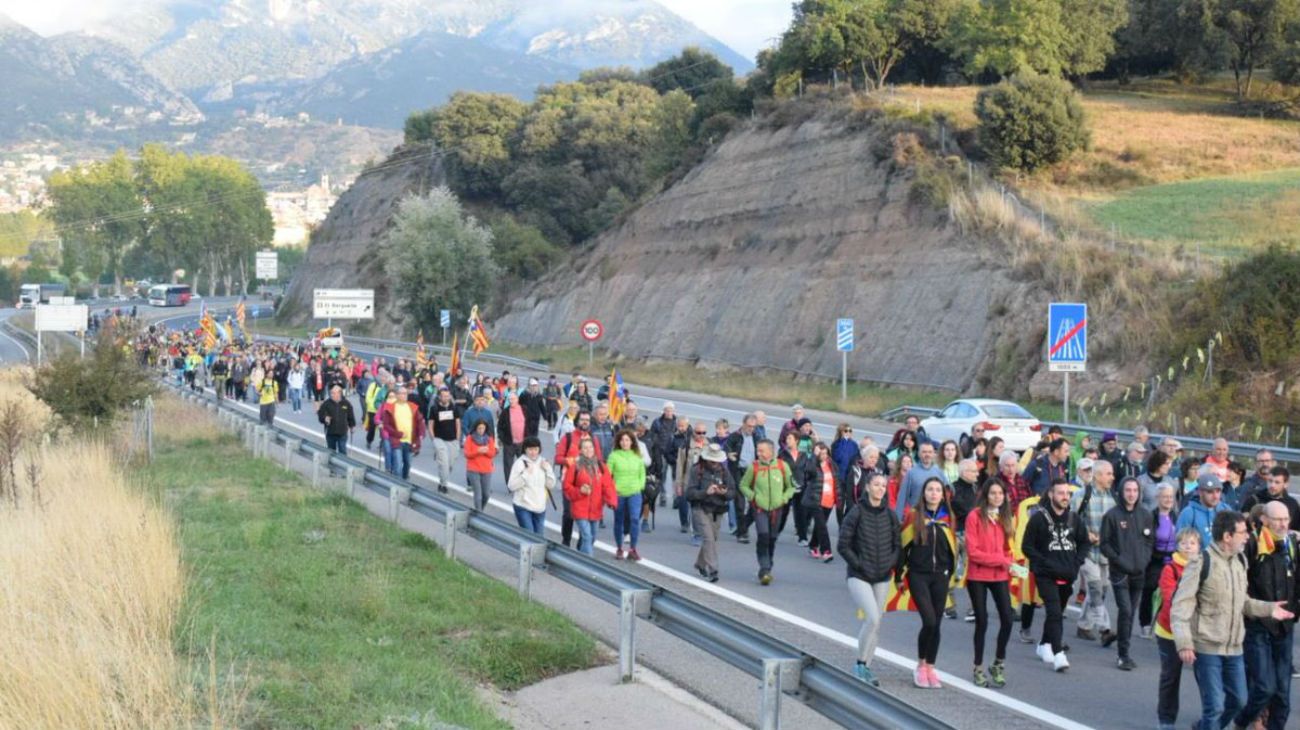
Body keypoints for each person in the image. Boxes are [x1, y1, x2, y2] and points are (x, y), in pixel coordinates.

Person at [1172, 511, 1295, 730]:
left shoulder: (1240, 560)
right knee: (1215, 707)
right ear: (1227, 536)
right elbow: (1180, 607)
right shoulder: (1201, 563)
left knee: (1238, 702)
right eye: (1242, 532)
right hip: (1207, 646)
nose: (1247, 536)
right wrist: (1184, 643)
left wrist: (1269, 609)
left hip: (1235, 648)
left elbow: (1243, 602)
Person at [1233, 500, 1299, 730]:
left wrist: (1294, 611)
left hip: (1284, 627)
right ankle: (1241, 721)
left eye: (1286, 519)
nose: (1283, 524)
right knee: (1263, 687)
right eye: (1278, 519)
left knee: (1282, 696)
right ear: (1264, 520)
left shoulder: (1292, 544)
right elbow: (1239, 583)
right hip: (1257, 626)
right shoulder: (1252, 545)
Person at [891, 478, 956, 689]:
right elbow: (902, 548)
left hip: (941, 575)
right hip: (918, 575)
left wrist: (951, 574)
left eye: (938, 490)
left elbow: (952, 549)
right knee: (928, 620)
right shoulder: (914, 516)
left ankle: (931, 667)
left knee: (937, 624)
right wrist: (899, 575)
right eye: (930, 489)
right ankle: (919, 666)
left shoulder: (948, 518)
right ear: (924, 493)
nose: (934, 493)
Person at [838, 473, 900, 688]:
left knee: (877, 623)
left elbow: (897, 545)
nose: (880, 488)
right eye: (876, 484)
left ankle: (866, 666)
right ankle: (859, 664)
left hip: (883, 575)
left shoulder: (891, 515)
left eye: (884, 485)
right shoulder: (856, 512)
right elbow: (843, 545)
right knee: (872, 618)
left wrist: (890, 564)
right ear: (867, 487)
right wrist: (859, 564)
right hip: (859, 575)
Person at [1023, 478, 1089, 673]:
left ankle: (1044, 644)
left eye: (1067, 494)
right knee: (1053, 611)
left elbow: (1084, 542)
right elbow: (1027, 546)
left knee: (1057, 612)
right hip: (1045, 574)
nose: (1065, 497)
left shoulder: (1074, 519)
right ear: (1051, 494)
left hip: (1068, 573)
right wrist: (1043, 562)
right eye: (1060, 493)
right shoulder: (1038, 518)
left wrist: (1077, 562)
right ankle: (1058, 653)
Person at [1101, 476, 1155, 670]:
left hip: (1139, 572)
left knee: (1130, 613)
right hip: (1120, 573)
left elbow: (1150, 541)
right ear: (1122, 492)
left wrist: (1144, 560)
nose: (1131, 494)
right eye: (1128, 490)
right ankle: (1123, 655)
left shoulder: (1145, 515)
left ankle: (1120, 640)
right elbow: (1104, 544)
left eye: (1135, 490)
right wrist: (1119, 560)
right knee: (1125, 610)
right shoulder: (1112, 515)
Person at [966, 478, 1015, 689]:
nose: (997, 497)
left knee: (1007, 619)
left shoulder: (1005, 517)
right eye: (993, 493)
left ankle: (998, 664)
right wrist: (1001, 560)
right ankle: (978, 667)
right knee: (982, 621)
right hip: (977, 576)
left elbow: (1007, 548)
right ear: (986, 495)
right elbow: (973, 552)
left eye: (1000, 494)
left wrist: (1010, 562)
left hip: (1000, 576)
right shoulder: (975, 516)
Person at [1155, 528, 1202, 730]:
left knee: (1206, 678)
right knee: (1170, 677)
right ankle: (1166, 719)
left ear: (1199, 546)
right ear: (1177, 546)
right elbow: (1171, 599)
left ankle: (1211, 718)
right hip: (1169, 631)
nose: (1188, 547)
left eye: (1192, 543)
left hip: (1197, 632)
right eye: (1184, 543)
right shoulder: (1170, 570)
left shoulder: (1203, 567)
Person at [738, 439, 795, 585]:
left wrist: (784, 498)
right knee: (763, 535)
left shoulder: (783, 466)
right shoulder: (754, 467)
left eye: (761, 451)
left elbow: (791, 487)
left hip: (777, 509)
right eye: (758, 450)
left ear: (771, 451)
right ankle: (764, 568)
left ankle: (768, 565)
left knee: (772, 539)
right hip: (760, 509)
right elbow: (743, 485)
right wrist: (753, 497)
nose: (759, 453)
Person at [1072, 459, 1117, 643]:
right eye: (1108, 474)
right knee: (1096, 588)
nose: (1112, 477)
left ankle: (1084, 625)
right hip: (1086, 552)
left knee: (1101, 589)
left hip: (1105, 553)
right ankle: (1105, 629)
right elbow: (1071, 521)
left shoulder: (1113, 497)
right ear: (1097, 476)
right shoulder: (1082, 495)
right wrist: (1086, 534)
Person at [686, 443, 735, 582]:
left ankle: (700, 564)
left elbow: (733, 492)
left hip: (717, 509)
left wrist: (723, 493)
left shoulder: (724, 472)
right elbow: (689, 493)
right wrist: (705, 492)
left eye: (717, 461)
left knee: (712, 539)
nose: (715, 464)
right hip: (700, 508)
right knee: (708, 538)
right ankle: (713, 569)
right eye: (712, 461)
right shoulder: (697, 470)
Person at [563, 437, 616, 556]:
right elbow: (566, 487)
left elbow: (608, 485)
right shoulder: (575, 467)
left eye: (590, 447)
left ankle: (581, 558)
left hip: (596, 509)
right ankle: (589, 566)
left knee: (592, 537)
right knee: (587, 536)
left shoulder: (601, 466)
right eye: (585, 447)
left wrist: (611, 501)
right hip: (579, 508)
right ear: (580, 450)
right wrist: (579, 490)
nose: (588, 450)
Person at [1141, 485, 1180, 639]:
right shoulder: (1151, 516)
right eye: (1165, 496)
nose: (1168, 500)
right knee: (1149, 589)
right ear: (1158, 498)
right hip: (1155, 560)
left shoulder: (1176, 516)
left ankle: (1163, 623)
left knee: (1170, 592)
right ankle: (1145, 623)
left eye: (1171, 497)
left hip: (1172, 560)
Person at [608, 429, 647, 561]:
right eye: (622, 440)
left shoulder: (637, 456)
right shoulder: (614, 456)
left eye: (627, 440)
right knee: (619, 520)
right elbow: (608, 475)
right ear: (619, 442)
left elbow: (642, 474)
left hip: (634, 493)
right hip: (618, 493)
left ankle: (632, 549)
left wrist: (640, 486)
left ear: (632, 442)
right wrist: (612, 490)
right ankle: (619, 548)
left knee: (635, 519)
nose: (625, 443)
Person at [507, 436, 554, 535]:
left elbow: (551, 485)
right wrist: (525, 475)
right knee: (530, 538)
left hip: (540, 507)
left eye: (536, 449)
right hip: (523, 506)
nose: (533, 452)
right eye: (530, 449)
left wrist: (548, 470)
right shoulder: (520, 463)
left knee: (539, 539)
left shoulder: (543, 462)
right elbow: (511, 486)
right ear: (525, 449)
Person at [802, 442, 839, 563]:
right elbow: (809, 471)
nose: (824, 456)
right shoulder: (813, 464)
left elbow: (836, 481)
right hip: (816, 500)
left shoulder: (832, 464)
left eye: (825, 453)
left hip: (829, 500)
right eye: (821, 453)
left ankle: (813, 545)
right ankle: (826, 551)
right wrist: (813, 456)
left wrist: (838, 498)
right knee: (822, 526)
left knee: (820, 526)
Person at [726, 414, 761, 543]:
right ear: (743, 424)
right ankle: (742, 533)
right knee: (740, 504)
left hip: (752, 472)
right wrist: (729, 454)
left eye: (753, 426)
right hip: (738, 472)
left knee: (755, 504)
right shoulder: (735, 436)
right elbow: (726, 447)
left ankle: (742, 527)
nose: (751, 429)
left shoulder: (757, 437)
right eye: (749, 426)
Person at [895, 442, 949, 520]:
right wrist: (897, 520)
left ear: (934, 454)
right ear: (919, 454)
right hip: (917, 517)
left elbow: (948, 493)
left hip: (936, 517)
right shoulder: (911, 473)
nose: (927, 454)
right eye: (924, 452)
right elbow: (902, 498)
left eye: (930, 452)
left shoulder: (939, 472)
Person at [379, 386, 424, 481]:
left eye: (405, 393)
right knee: (398, 465)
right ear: (397, 395)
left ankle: (404, 480)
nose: (404, 396)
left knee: (408, 463)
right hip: (397, 440)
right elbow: (386, 425)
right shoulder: (390, 408)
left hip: (410, 440)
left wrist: (421, 433)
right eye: (402, 393)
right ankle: (397, 484)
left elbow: (420, 421)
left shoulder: (412, 407)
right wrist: (398, 434)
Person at [424, 387, 462, 494]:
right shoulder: (434, 408)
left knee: (450, 464)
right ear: (440, 397)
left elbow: (458, 423)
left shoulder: (454, 408)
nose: (446, 398)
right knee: (444, 463)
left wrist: (458, 437)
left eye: (447, 396)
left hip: (453, 439)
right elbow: (431, 424)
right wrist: (433, 438)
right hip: (439, 439)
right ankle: (444, 485)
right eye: (444, 396)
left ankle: (442, 480)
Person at [1178, 474, 1230, 550]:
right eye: (1210, 492)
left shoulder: (1226, 510)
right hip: (1197, 560)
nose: (1215, 496)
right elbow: (1180, 544)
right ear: (1200, 492)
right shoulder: (1188, 513)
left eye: (1218, 491)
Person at [1241, 466, 1300, 531]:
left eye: (1277, 482)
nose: (1272, 485)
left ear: (1286, 484)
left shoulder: (1292, 504)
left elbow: (1296, 530)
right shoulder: (1254, 499)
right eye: (1270, 481)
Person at [463, 420, 498, 511]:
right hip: (473, 469)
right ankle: (479, 512)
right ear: (475, 428)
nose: (481, 430)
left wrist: (486, 451)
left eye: (483, 428)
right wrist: (478, 451)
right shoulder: (470, 438)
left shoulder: (489, 439)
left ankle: (480, 510)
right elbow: (467, 454)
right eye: (479, 428)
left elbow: (492, 453)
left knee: (486, 494)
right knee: (478, 495)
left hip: (486, 469)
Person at [317, 384, 355, 455]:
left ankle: (343, 465)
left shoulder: (346, 403)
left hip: (342, 431)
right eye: (331, 393)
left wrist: (352, 426)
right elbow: (321, 415)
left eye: (334, 393)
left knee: (342, 449)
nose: (332, 395)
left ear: (339, 393)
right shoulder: (326, 404)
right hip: (330, 431)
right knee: (331, 451)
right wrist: (325, 418)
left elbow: (350, 416)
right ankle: (332, 465)